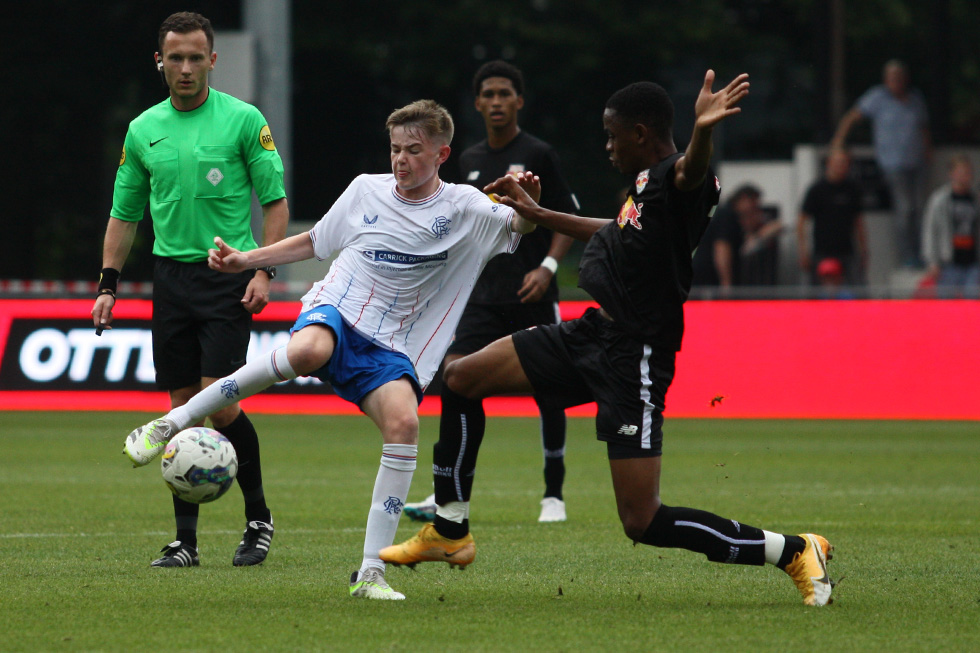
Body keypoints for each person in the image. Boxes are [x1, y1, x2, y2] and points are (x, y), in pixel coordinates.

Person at [381, 71, 836, 607]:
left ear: (641, 133)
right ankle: (449, 529)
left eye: (612, 134)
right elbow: (611, 231)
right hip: (593, 332)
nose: (607, 145)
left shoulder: (678, 179)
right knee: (459, 377)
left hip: (636, 356)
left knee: (641, 520)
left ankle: (793, 550)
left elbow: (691, 170)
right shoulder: (644, 187)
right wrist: (536, 213)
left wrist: (702, 132)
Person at [122, 99, 536, 600]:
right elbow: (313, 242)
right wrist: (245, 261)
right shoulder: (366, 189)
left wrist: (527, 204)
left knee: (404, 425)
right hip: (342, 304)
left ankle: (369, 574)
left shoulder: (465, 206)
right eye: (395, 149)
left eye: (413, 151)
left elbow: (518, 228)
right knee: (309, 351)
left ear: (442, 153)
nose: (400, 160)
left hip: (395, 341)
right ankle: (171, 422)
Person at [93, 12, 289, 569]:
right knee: (181, 410)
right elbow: (124, 214)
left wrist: (262, 270)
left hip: (227, 274)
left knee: (220, 405)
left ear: (212, 60)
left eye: (194, 57)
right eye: (174, 57)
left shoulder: (243, 120)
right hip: (170, 280)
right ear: (160, 61)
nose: (185, 67)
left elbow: (274, 202)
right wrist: (109, 284)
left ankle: (258, 519)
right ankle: (186, 542)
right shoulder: (142, 129)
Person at [403, 60, 579, 524]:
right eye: (489, 94)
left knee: (550, 392)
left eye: (506, 94)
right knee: (456, 380)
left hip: (531, 294)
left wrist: (548, 265)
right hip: (480, 298)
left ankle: (553, 495)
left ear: (519, 101)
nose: (497, 102)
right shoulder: (468, 159)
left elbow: (564, 216)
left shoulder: (539, 154)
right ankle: (450, 496)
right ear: (478, 103)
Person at [832, 59, 931, 268]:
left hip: (917, 163)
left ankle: (924, 255)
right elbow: (852, 116)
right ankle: (908, 257)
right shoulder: (877, 97)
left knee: (920, 210)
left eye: (899, 78)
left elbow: (923, 128)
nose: (896, 81)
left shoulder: (915, 99)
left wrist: (927, 152)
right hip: (893, 165)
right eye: (892, 78)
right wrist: (839, 140)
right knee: (904, 210)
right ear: (886, 80)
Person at [797, 148, 869, 288]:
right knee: (816, 294)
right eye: (837, 163)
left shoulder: (852, 189)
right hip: (822, 251)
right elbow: (801, 221)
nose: (841, 167)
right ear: (829, 163)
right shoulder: (817, 190)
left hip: (847, 250)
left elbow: (858, 222)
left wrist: (864, 250)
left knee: (859, 289)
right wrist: (803, 252)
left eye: (844, 163)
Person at [691, 184, 781, 292]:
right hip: (708, 278)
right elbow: (722, 248)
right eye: (753, 202)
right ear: (743, 199)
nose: (755, 207)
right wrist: (726, 283)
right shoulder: (727, 215)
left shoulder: (734, 218)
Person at [920, 154, 980, 297]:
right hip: (949, 261)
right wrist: (932, 261)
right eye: (961, 173)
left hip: (972, 260)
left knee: (972, 302)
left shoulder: (975, 199)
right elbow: (930, 230)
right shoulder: (940, 200)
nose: (965, 177)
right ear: (952, 174)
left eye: (968, 173)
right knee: (947, 304)